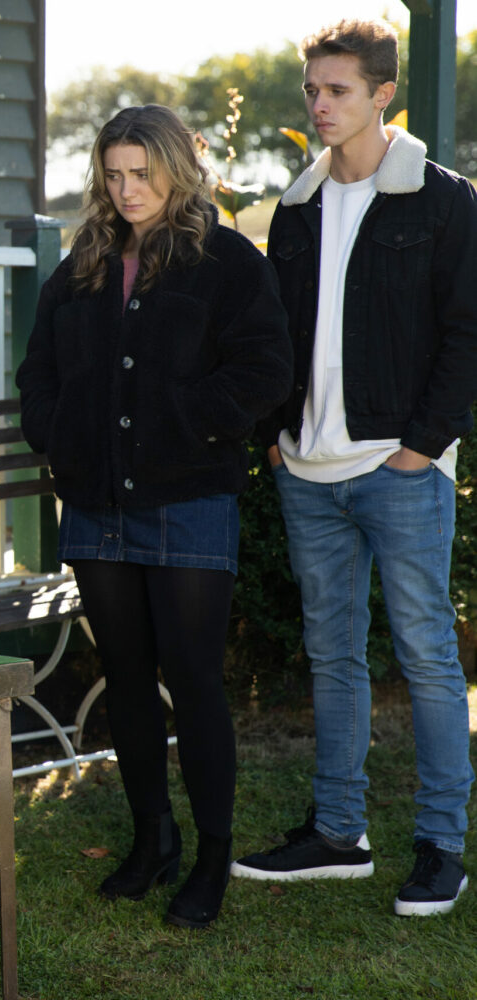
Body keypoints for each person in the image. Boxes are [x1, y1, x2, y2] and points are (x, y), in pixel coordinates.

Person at [16, 105, 292, 929]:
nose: (127, 190)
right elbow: (41, 372)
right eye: (113, 174)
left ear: (177, 168)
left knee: (195, 682)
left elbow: (265, 367)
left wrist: (184, 422)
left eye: (142, 173)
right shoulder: (85, 263)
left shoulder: (227, 260)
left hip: (188, 499)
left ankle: (211, 857)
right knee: (127, 681)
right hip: (96, 502)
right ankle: (153, 839)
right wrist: (60, 437)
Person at [231, 19, 477, 917]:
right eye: (311, 90)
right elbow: (271, 335)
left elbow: (466, 334)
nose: (320, 105)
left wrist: (423, 443)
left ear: (383, 95)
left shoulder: (444, 201)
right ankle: (338, 833)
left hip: (398, 466)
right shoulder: (294, 209)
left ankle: (441, 847)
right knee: (331, 655)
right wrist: (273, 435)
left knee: (425, 656)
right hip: (307, 470)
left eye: (337, 90)